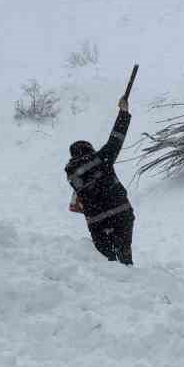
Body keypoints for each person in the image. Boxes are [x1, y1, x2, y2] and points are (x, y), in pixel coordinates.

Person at [65, 95, 134, 265]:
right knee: (125, 258)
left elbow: (78, 201)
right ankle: (129, 273)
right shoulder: (100, 159)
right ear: (89, 150)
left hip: (97, 222)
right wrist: (123, 113)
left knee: (107, 265)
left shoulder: (71, 175)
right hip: (120, 213)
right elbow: (116, 139)